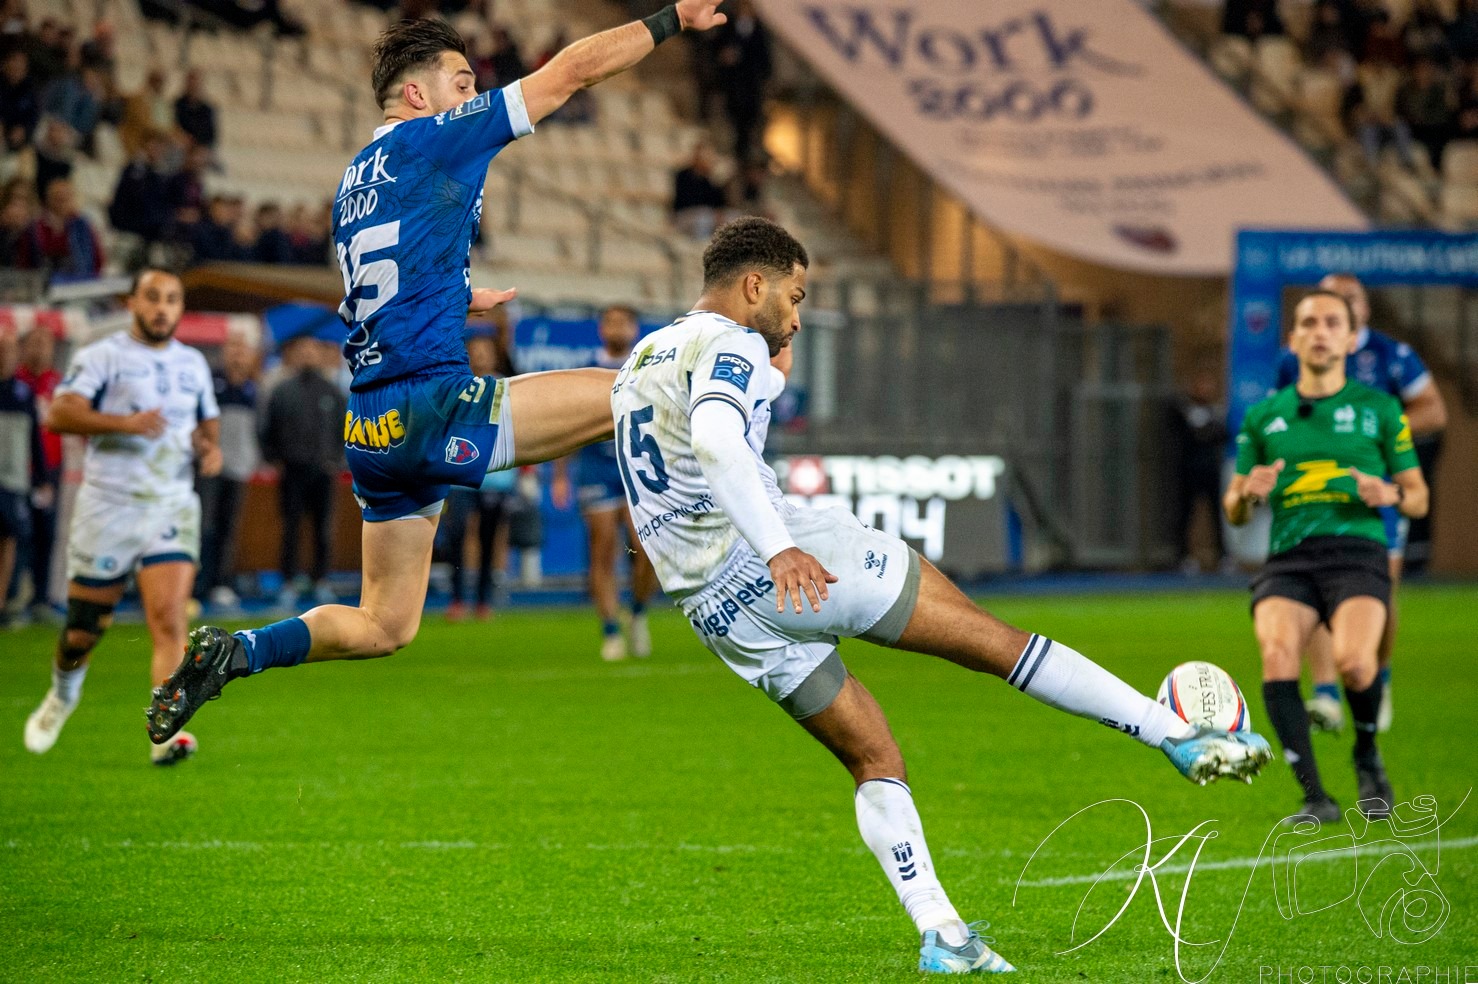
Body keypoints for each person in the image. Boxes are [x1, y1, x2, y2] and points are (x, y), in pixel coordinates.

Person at [610, 217, 1272, 974]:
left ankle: (943, 932)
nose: (794, 318)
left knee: (872, 755)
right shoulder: (729, 342)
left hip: (714, 607)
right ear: (752, 285)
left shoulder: (643, 357)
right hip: (786, 560)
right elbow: (719, 442)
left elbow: (674, 461)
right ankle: (1174, 734)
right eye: (793, 298)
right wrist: (780, 546)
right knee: (995, 643)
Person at [148, 4, 733, 743]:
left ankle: (237, 651)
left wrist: (459, 295)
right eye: (461, 82)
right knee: (639, 390)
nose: (472, 96)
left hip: (371, 427)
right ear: (419, 96)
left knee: (384, 623)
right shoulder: (438, 138)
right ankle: (719, 543)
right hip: (431, 404)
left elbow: (371, 288)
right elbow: (572, 73)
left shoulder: (354, 178)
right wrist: (671, 17)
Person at [1226, 289, 1427, 825]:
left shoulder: (1379, 409)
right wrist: (1247, 494)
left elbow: (1419, 494)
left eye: (1331, 323)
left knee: (1358, 666)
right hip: (1289, 559)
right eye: (1308, 323)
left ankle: (1366, 755)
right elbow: (1233, 511)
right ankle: (1315, 796)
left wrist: (1391, 495)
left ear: (1349, 337)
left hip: (1357, 554)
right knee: (1276, 657)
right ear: (1292, 338)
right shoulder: (1265, 416)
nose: (1319, 332)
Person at [23, 269, 222, 765]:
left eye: (172, 299)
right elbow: (59, 415)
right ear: (132, 302)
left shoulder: (193, 364)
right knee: (83, 632)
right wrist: (124, 424)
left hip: (170, 503)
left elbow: (206, 419)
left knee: (169, 621)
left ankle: (165, 736)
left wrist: (209, 447)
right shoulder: (102, 356)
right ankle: (63, 694)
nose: (162, 308)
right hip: (109, 505)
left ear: (180, 308)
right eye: (152, 297)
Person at [1274, 273, 1447, 733]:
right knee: (1312, 587)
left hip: (1376, 495)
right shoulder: (1295, 359)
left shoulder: (1393, 355)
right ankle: (1327, 694)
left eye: (1348, 301)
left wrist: (1380, 435)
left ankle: (1378, 678)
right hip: (1312, 493)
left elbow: (1433, 409)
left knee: (1377, 591)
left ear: (1363, 312)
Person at [551, 304, 659, 660]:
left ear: (634, 329)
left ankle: (639, 612)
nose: (616, 328)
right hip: (597, 470)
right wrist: (561, 476)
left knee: (646, 550)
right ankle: (611, 629)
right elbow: (568, 422)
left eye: (623, 322)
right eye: (609, 322)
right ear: (601, 330)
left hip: (639, 468)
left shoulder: (647, 368)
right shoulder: (586, 369)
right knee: (603, 548)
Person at [259, 334, 345, 609]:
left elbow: (345, 429)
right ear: (294, 355)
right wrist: (273, 458)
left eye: (313, 350)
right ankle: (288, 583)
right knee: (291, 528)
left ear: (320, 355)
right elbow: (267, 428)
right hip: (292, 472)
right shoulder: (283, 391)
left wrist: (336, 459)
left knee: (323, 529)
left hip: (324, 471)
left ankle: (321, 582)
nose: (308, 355)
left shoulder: (332, 391)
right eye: (303, 350)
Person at [438, 324, 515, 621]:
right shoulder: (454, 385)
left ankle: (483, 601)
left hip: (496, 476)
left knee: (488, 538)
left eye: (487, 350)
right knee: (455, 535)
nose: (481, 355)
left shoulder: (507, 387)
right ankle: (457, 599)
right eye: (476, 350)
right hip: (459, 475)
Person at [194, 328, 259, 611]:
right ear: (224, 351)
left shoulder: (253, 388)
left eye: (242, 348)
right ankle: (196, 585)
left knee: (228, 529)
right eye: (233, 347)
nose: (237, 353)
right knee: (203, 526)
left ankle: (220, 584)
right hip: (211, 466)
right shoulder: (211, 382)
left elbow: (258, 429)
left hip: (239, 467)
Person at [15, 322, 62, 620]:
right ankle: (14, 598)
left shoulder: (59, 385)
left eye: (45, 343)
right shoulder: (14, 382)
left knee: (47, 535)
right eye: (34, 343)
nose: (39, 349)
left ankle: (41, 599)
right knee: (18, 536)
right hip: (17, 472)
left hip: (51, 471)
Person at [0, 328, 44, 626]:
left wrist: (40, 476)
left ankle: (3, 602)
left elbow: (35, 439)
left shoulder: (23, 392)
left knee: (10, 539)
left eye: (9, 350)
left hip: (14, 480)